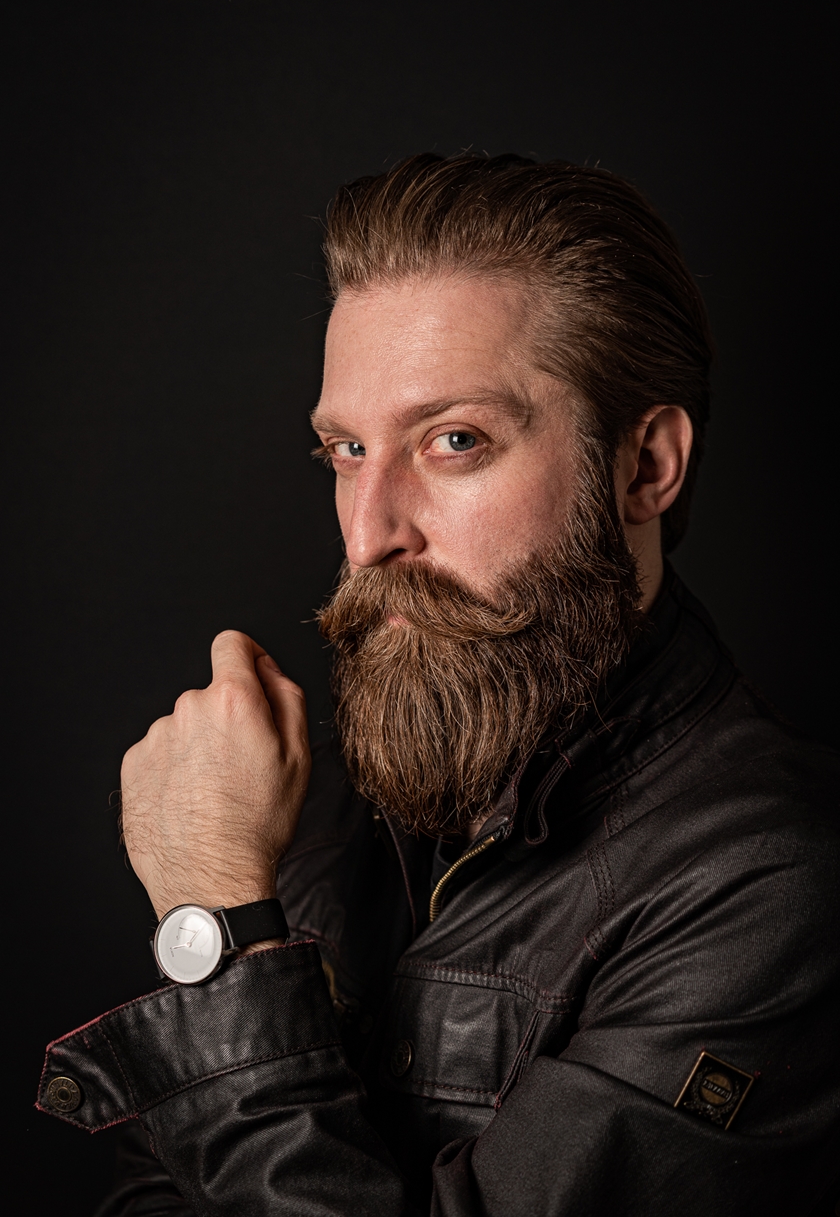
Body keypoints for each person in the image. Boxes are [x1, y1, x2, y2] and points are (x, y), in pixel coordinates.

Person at [38, 155, 839, 1216]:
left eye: (454, 441)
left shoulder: (770, 884)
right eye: (346, 450)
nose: (368, 535)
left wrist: (216, 921)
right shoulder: (332, 790)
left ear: (644, 466)